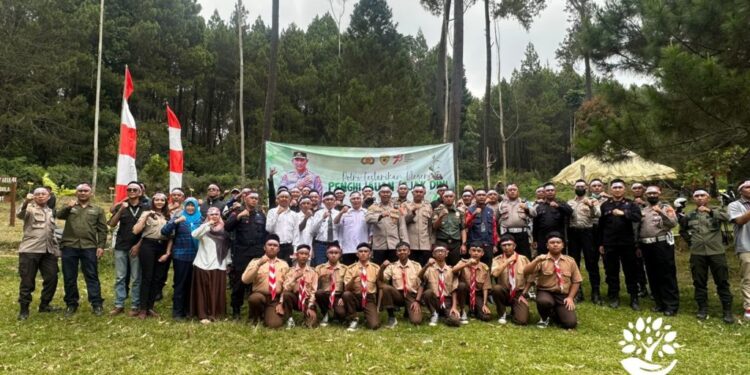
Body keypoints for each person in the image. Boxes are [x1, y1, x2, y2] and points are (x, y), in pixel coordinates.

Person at [679, 189, 734, 323]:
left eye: (702, 195)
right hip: (697, 253)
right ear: (693, 199)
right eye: (696, 196)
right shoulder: (690, 215)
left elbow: (728, 219)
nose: (699, 198)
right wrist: (690, 242)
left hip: (716, 252)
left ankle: (727, 311)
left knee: (722, 281)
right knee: (699, 282)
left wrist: (710, 211)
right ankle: (702, 308)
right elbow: (682, 230)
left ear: (708, 198)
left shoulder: (717, 211)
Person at [57, 183, 107, 317]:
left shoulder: (98, 210)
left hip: (89, 247)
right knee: (69, 276)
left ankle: (96, 304)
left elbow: (102, 230)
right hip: (69, 246)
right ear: (76, 193)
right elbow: (58, 215)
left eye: (86, 191)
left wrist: (101, 246)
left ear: (91, 194)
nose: (83, 193)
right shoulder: (70, 207)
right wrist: (68, 207)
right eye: (80, 191)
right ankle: (71, 304)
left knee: (91, 276)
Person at [598, 179, 642, 310]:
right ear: (611, 189)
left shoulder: (631, 204)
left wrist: (624, 214)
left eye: (619, 187)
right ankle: (614, 296)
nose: (617, 189)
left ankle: (634, 297)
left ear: (624, 189)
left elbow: (638, 218)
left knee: (631, 271)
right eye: (615, 187)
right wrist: (601, 243)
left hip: (627, 243)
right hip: (610, 243)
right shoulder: (605, 205)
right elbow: (601, 226)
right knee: (611, 271)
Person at [16, 187, 60, 320]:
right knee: (27, 280)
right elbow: (20, 214)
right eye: (37, 194)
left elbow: (52, 233)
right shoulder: (29, 209)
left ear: (49, 196)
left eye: (43, 194)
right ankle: (24, 310)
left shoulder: (51, 211)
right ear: (33, 197)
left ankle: (45, 305)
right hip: (30, 250)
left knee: (52, 277)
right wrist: (25, 202)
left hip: (48, 251)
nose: (40, 196)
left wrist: (57, 250)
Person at [524, 232, 582, 329]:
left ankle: (554, 313)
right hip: (545, 292)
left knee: (570, 324)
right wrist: (536, 261)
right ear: (547, 245)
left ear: (563, 245)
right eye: (552, 242)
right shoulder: (541, 260)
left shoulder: (570, 261)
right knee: (544, 301)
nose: (555, 244)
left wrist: (570, 297)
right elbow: (526, 272)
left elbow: (577, 281)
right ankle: (544, 318)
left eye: (558, 242)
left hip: (562, 295)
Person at [225, 191, 267, 319]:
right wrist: (238, 217)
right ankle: (236, 310)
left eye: (256, 198)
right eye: (252, 198)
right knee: (239, 281)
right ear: (245, 198)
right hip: (242, 252)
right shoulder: (237, 212)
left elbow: (265, 233)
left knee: (257, 281)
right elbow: (227, 227)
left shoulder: (261, 215)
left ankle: (255, 311)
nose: (254, 200)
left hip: (257, 252)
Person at [638, 186, 680, 315]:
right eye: (649, 193)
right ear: (645, 195)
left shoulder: (666, 208)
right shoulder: (643, 210)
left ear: (659, 193)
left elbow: (673, 223)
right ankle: (659, 303)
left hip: (662, 244)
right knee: (652, 274)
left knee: (666, 274)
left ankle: (671, 305)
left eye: (654, 193)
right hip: (646, 245)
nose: (652, 195)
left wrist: (661, 212)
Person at [108, 181, 147, 317]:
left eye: (134, 190)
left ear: (140, 192)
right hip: (121, 246)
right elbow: (112, 224)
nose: (131, 192)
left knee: (136, 278)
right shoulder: (122, 207)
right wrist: (120, 209)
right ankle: (119, 304)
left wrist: (138, 245)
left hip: (137, 247)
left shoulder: (145, 208)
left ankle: (135, 305)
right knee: (120, 277)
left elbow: (148, 230)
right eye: (129, 189)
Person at [160, 197, 202, 320]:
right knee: (180, 284)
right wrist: (176, 221)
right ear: (184, 206)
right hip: (181, 256)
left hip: (196, 256)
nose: (190, 208)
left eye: (192, 205)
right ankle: (177, 312)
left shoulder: (201, 219)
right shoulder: (179, 217)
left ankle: (189, 310)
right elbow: (164, 231)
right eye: (188, 205)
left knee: (191, 284)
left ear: (196, 207)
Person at [132, 193, 171, 319]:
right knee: (147, 276)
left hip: (162, 246)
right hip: (148, 245)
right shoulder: (146, 213)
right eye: (157, 200)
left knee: (157, 278)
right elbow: (136, 230)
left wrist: (168, 252)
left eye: (162, 200)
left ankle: (150, 307)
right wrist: (146, 216)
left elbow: (171, 237)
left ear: (165, 202)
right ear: (153, 201)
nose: (159, 202)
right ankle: (143, 308)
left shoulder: (168, 216)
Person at [190, 207, 231, 323]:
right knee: (203, 290)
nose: (214, 216)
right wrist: (207, 224)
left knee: (216, 290)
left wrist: (228, 262)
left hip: (218, 264)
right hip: (202, 263)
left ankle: (215, 314)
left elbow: (227, 248)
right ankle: (203, 315)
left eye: (217, 214)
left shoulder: (224, 230)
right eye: (211, 214)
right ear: (207, 216)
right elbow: (194, 235)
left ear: (220, 215)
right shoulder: (204, 229)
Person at [242, 235, 290, 328]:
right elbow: (245, 280)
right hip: (260, 296)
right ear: (264, 247)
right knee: (254, 299)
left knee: (274, 325)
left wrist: (281, 303)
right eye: (269, 245)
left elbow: (286, 286)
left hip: (274, 300)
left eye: (275, 245)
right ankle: (256, 317)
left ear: (278, 249)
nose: (272, 247)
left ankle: (267, 315)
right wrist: (258, 264)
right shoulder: (255, 262)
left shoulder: (284, 264)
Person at [567, 179, 602, 304]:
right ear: (574, 188)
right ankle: (577, 292)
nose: (580, 188)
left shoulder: (593, 201)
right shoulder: (570, 203)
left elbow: (598, 214)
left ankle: (595, 292)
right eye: (578, 186)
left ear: (586, 188)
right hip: (573, 234)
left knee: (591, 262)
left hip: (588, 233)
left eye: (582, 186)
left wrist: (591, 206)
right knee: (574, 263)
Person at [378, 242, 423, 328]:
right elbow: (381, 279)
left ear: (409, 252)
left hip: (412, 296)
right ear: (396, 253)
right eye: (399, 250)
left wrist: (417, 301)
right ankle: (391, 317)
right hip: (398, 295)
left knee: (416, 321)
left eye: (404, 250)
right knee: (385, 288)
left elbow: (422, 284)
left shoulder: (416, 265)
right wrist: (382, 267)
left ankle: (408, 311)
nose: (402, 252)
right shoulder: (392, 266)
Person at [491, 235, 530, 325]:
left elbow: (531, 278)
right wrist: (507, 261)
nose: (507, 247)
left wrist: (524, 294)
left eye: (509, 245)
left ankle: (516, 310)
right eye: (504, 245)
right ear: (500, 247)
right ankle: (502, 313)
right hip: (504, 292)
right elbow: (495, 274)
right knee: (496, 288)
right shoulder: (497, 260)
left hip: (518, 293)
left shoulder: (523, 259)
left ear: (514, 246)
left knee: (522, 321)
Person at [342, 243, 381, 331]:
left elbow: (380, 286)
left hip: (369, 298)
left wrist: (378, 306)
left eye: (365, 251)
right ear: (357, 254)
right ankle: (354, 319)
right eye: (360, 251)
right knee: (346, 294)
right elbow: (346, 289)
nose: (363, 253)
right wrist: (353, 278)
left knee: (374, 325)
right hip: (355, 297)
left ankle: (369, 316)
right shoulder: (351, 268)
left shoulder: (376, 268)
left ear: (370, 254)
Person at [366, 184, 409, 264]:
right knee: (379, 270)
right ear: (379, 194)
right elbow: (367, 219)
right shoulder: (373, 207)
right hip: (379, 245)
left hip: (394, 245)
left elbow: (402, 226)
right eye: (383, 192)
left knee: (395, 270)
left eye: (387, 192)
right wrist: (380, 216)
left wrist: (405, 243)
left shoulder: (397, 207)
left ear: (391, 194)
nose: (385, 194)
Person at [419, 246, 461, 327]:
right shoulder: (429, 269)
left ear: (446, 254)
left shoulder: (451, 270)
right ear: (433, 254)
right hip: (435, 300)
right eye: (437, 251)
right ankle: (434, 313)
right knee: (428, 293)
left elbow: (454, 290)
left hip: (447, 301)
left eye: (442, 251)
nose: (440, 253)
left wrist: (454, 307)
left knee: (455, 321)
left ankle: (446, 316)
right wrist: (427, 265)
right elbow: (420, 276)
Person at [281, 244, 319, 328]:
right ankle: (289, 319)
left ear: (309, 256)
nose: (304, 256)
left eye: (306, 254)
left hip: (307, 300)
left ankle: (307, 316)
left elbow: (313, 291)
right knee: (286, 295)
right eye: (301, 253)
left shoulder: (313, 272)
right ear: (296, 255)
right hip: (295, 299)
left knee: (311, 325)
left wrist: (310, 306)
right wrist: (294, 278)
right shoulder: (290, 271)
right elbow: (285, 288)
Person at [728, 180, 750, 321]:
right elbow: (740, 221)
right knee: (749, 278)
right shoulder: (734, 205)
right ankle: (749, 307)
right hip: (746, 246)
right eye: (748, 187)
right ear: (741, 190)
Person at [454, 244, 492, 323]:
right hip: (464, 293)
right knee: (462, 285)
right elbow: (453, 270)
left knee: (486, 317)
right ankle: (462, 310)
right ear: (469, 252)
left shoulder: (484, 267)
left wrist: (484, 304)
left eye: (478, 251)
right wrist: (466, 264)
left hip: (477, 294)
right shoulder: (462, 262)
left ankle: (475, 311)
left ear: (482, 253)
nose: (476, 253)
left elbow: (486, 287)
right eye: (473, 250)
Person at [532, 183, 572, 256]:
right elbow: (535, 224)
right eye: (548, 190)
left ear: (555, 192)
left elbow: (570, 212)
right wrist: (535, 239)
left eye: (552, 190)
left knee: (559, 260)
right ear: (544, 192)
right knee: (543, 260)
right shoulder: (539, 206)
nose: (550, 192)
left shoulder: (561, 203)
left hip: (558, 238)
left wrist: (558, 206)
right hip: (543, 238)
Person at [497, 184, 535, 259]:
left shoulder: (525, 202)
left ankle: (524, 270)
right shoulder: (501, 204)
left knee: (524, 255)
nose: (512, 191)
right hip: (507, 233)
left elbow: (534, 213)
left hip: (522, 234)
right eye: (510, 190)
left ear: (518, 192)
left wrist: (526, 208)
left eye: (514, 190)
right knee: (507, 255)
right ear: (506, 193)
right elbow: (496, 219)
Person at [315, 243, 347, 326]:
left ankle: (336, 314)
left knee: (341, 314)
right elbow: (314, 285)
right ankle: (326, 314)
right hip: (325, 295)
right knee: (319, 293)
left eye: (336, 253)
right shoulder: (319, 268)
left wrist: (343, 297)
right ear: (327, 254)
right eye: (331, 252)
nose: (333, 255)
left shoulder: (345, 269)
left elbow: (347, 286)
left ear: (340, 254)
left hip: (338, 296)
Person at [432, 190, 467, 266]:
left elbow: (463, 229)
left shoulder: (460, 212)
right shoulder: (437, 211)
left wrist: (463, 244)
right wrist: (441, 216)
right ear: (443, 198)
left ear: (454, 198)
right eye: (446, 196)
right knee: (441, 265)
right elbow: (434, 227)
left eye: (451, 196)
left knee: (455, 266)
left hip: (455, 243)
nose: (448, 198)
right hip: (442, 242)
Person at [464, 189, 497, 266]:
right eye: (479, 195)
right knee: (473, 266)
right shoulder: (470, 210)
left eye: (483, 195)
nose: (481, 197)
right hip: (474, 243)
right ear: (474, 197)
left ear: (486, 197)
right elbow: (465, 225)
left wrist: (495, 244)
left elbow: (494, 228)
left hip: (488, 243)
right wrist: (474, 214)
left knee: (488, 267)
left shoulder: (490, 210)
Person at [335, 192, 369, 265]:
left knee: (364, 271)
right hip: (348, 248)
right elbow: (336, 223)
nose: (356, 200)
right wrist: (341, 212)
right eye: (353, 199)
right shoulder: (345, 213)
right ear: (350, 201)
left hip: (363, 248)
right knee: (348, 271)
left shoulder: (367, 213)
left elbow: (371, 231)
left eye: (358, 198)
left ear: (361, 200)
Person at [265, 190, 298, 266]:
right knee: (274, 270)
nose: (284, 198)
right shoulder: (272, 212)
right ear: (278, 199)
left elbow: (296, 233)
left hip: (289, 248)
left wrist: (295, 250)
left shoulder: (294, 215)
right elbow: (269, 229)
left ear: (290, 199)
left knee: (287, 270)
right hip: (275, 247)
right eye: (282, 197)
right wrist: (277, 214)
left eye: (286, 197)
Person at [404, 184, 434, 265]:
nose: (418, 193)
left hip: (425, 244)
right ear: (412, 193)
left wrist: (431, 242)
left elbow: (430, 226)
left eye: (421, 192)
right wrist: (412, 213)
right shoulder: (406, 205)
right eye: (416, 192)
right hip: (410, 244)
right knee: (412, 269)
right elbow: (403, 222)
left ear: (424, 193)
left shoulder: (428, 206)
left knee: (425, 267)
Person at [310, 192, 341, 266]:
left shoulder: (339, 213)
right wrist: (322, 218)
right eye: (327, 199)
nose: (329, 201)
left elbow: (342, 231)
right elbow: (313, 230)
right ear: (323, 201)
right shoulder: (318, 213)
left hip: (335, 244)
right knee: (320, 267)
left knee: (335, 267)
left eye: (331, 199)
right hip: (321, 245)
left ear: (335, 201)